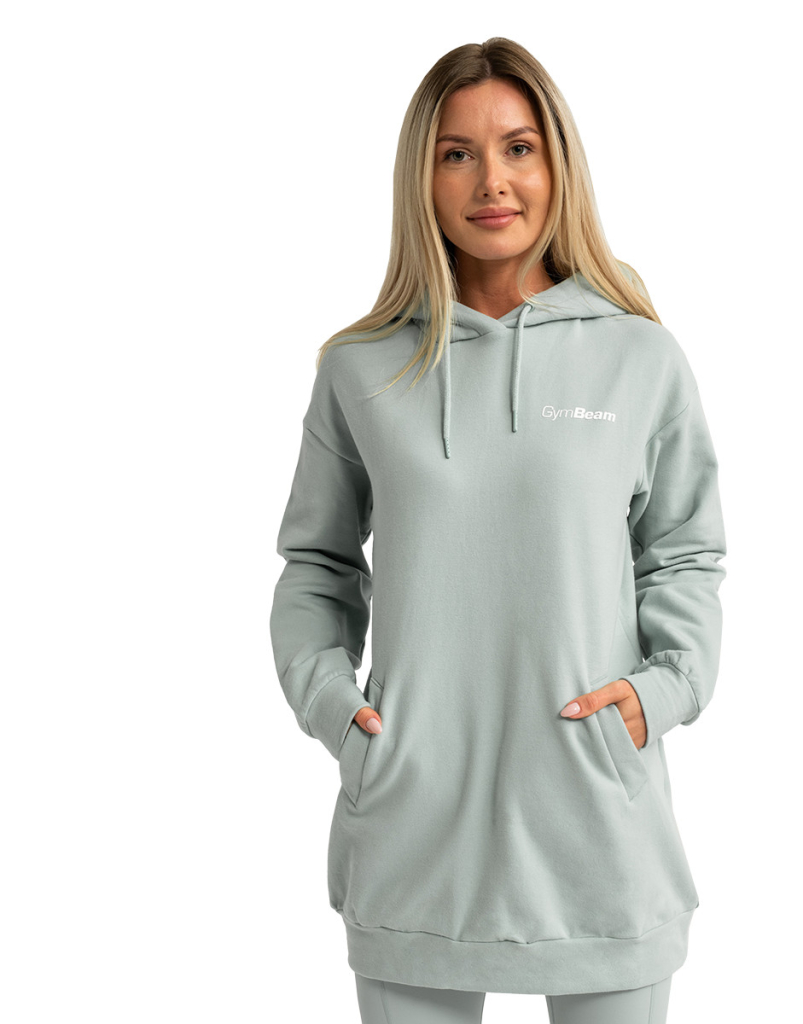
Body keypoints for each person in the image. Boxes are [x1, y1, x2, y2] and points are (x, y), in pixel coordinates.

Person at [269, 37, 728, 1024]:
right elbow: (316, 561)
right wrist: (335, 711)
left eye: (519, 148)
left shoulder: (640, 357)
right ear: (422, 176)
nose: (492, 181)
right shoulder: (360, 368)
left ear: (557, 163)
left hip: (599, 822)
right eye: (457, 154)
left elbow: (685, 551)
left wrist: (660, 694)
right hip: (413, 825)